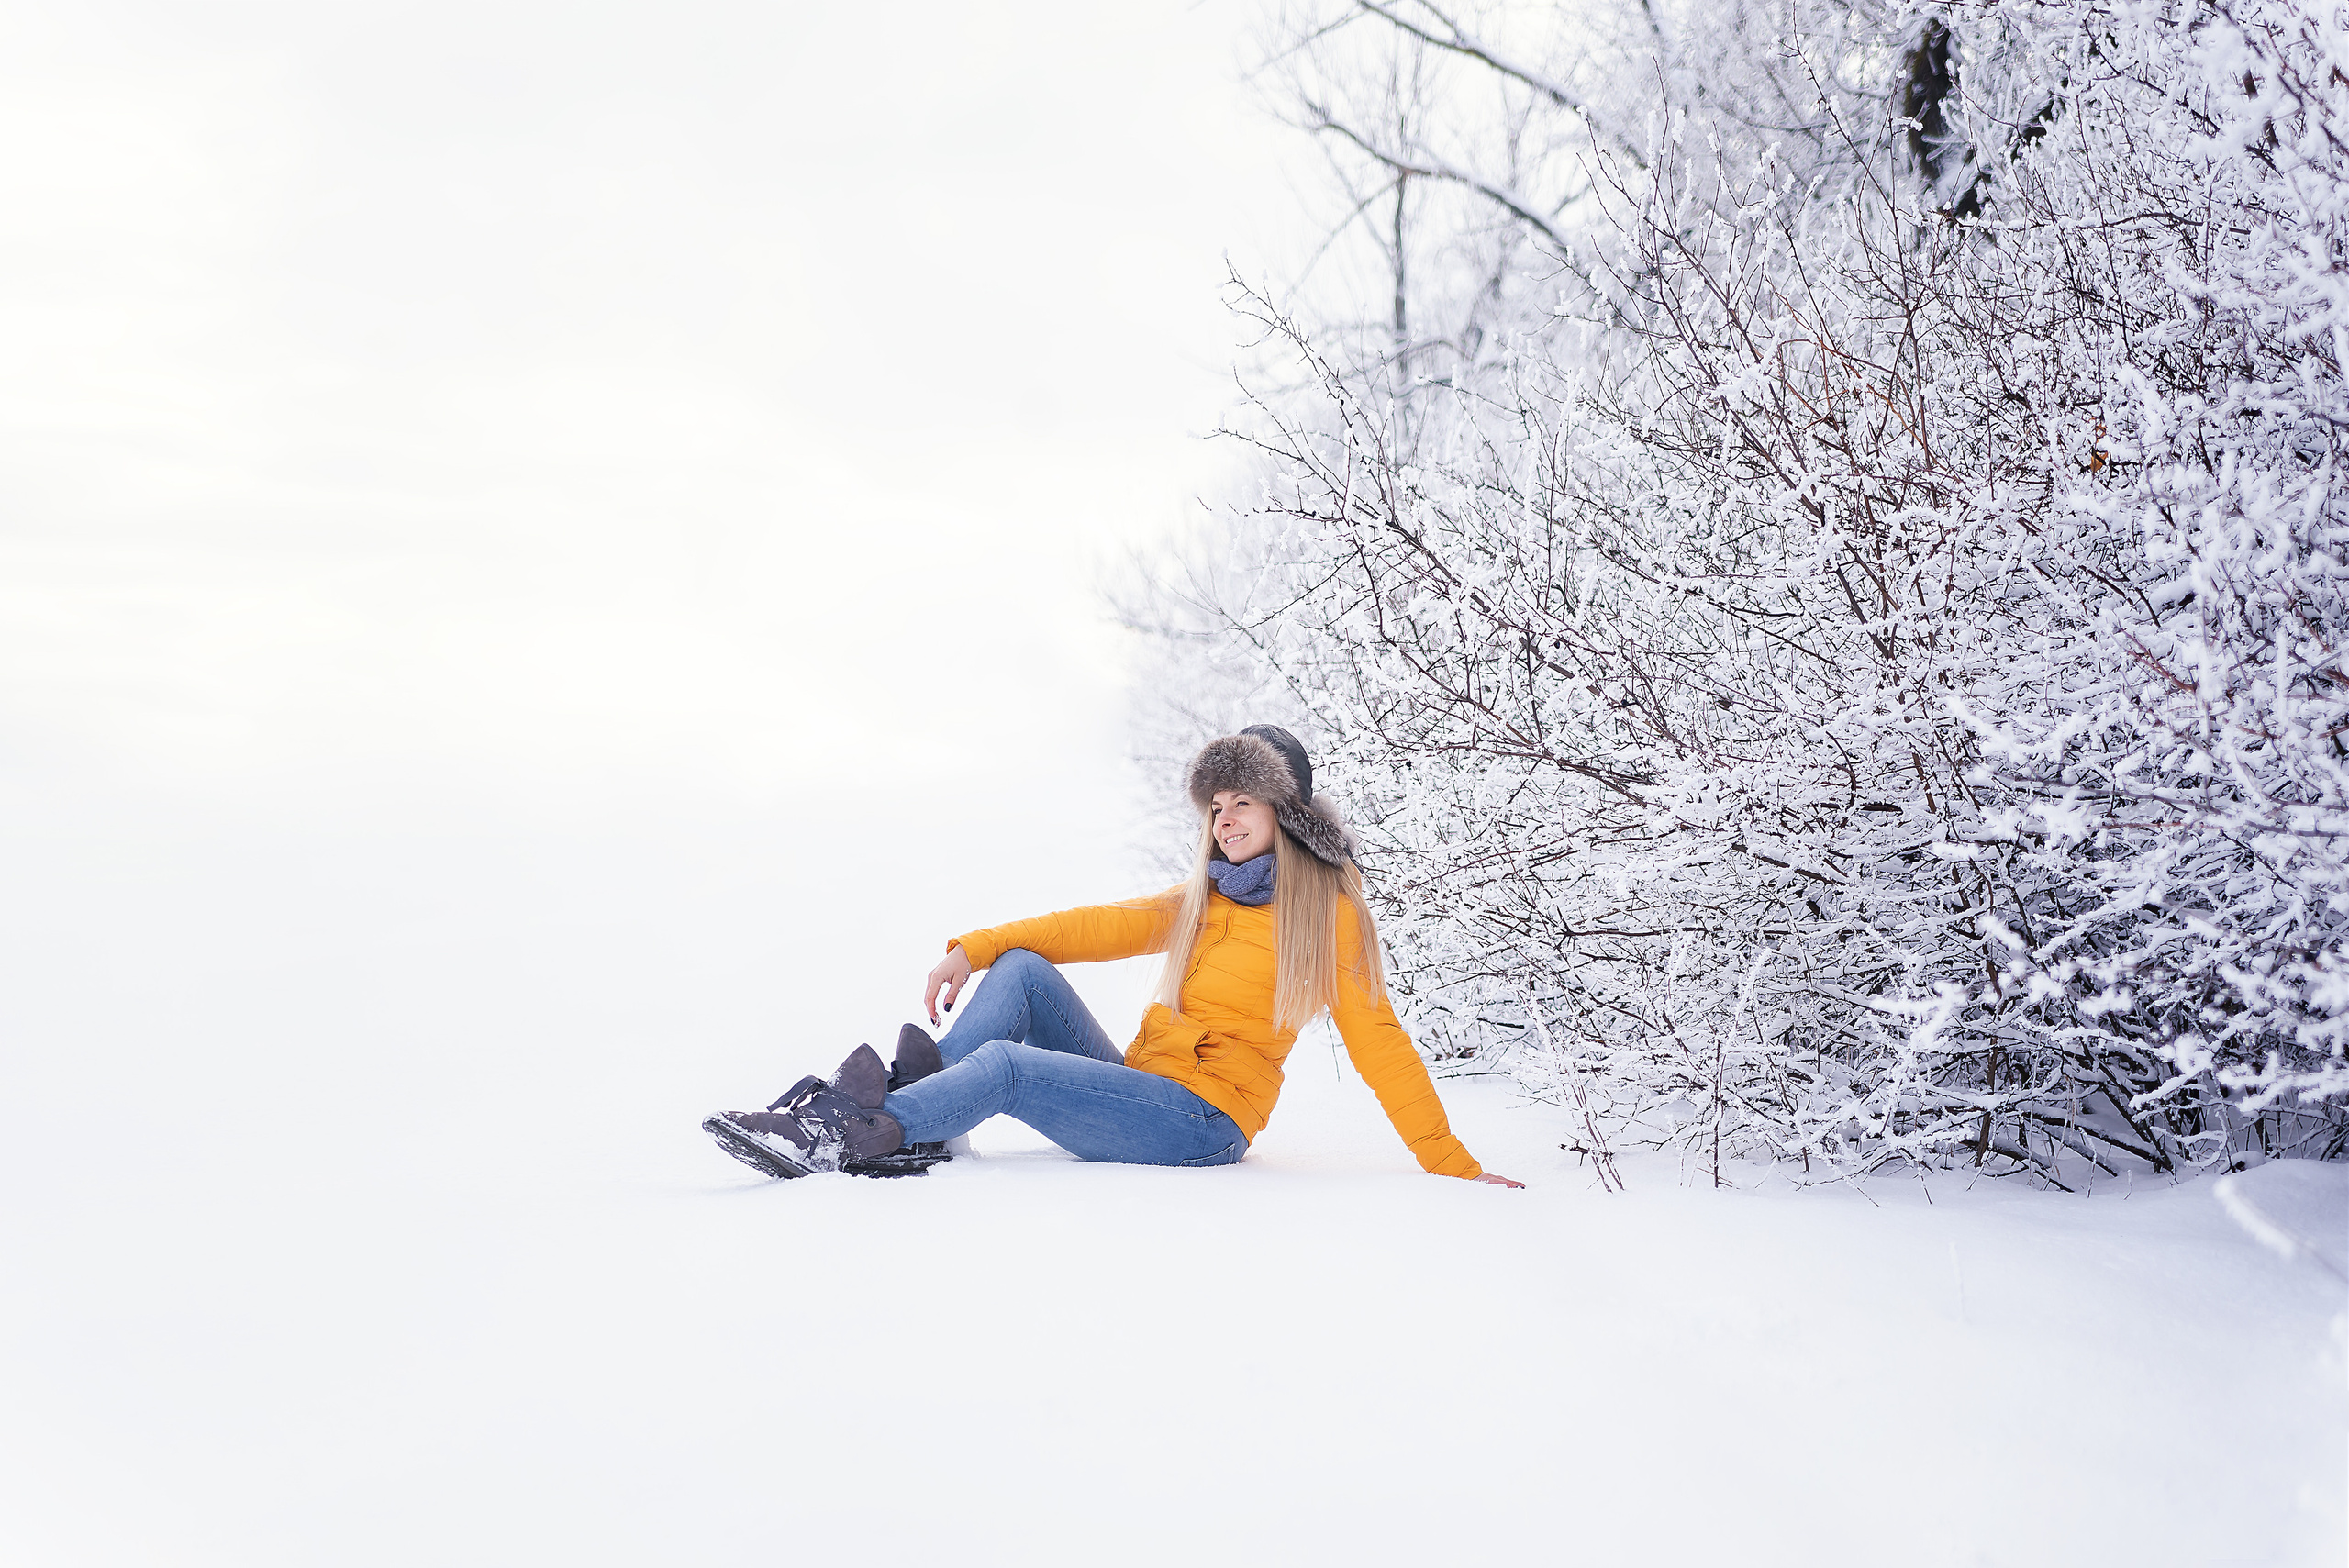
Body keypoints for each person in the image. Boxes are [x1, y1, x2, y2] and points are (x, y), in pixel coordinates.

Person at [701, 725, 1524, 1187]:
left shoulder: (1327, 920)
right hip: (1147, 1083)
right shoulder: (1208, 896)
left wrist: (1452, 1163)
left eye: (1244, 803)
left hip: (1204, 1122)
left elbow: (1382, 1042)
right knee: (1023, 972)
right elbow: (1096, 926)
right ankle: (915, 1103)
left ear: (1287, 812)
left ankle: (847, 1136)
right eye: (1215, 805)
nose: (1224, 819)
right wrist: (973, 947)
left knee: (1008, 1066)